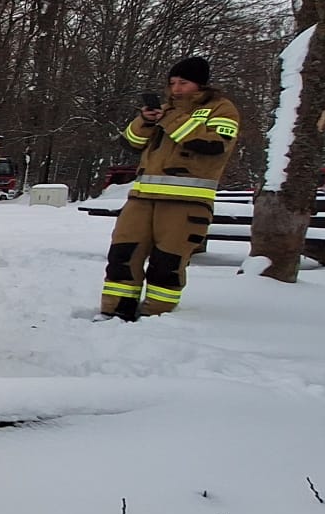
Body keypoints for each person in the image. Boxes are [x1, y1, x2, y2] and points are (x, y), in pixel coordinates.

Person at [100, 57, 242, 320]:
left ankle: (157, 315)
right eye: (172, 82)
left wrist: (173, 119)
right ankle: (115, 309)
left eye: (183, 83)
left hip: (186, 202)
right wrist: (146, 120)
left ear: (199, 83)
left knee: (167, 262)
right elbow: (130, 143)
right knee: (123, 253)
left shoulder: (222, 109)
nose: (176, 88)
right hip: (142, 198)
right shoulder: (163, 111)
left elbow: (214, 145)